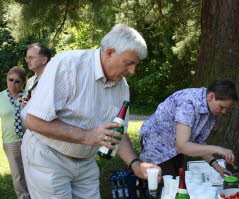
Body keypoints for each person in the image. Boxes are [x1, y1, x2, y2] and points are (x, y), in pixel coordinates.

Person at [21, 24, 161, 199]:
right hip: (48, 157)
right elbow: (33, 121)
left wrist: (135, 164)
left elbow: (118, 132)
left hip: (86, 162)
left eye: (135, 64)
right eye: (129, 63)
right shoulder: (68, 65)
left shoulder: (121, 86)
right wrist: (87, 136)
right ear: (109, 53)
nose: (132, 71)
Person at [139, 79, 238, 194]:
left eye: (227, 108)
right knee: (164, 189)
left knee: (177, 184)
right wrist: (217, 149)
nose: (224, 112)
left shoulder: (210, 107)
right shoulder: (188, 103)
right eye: (222, 107)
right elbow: (183, 146)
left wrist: (215, 165)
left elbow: (198, 142)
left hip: (174, 147)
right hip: (157, 146)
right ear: (211, 96)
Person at [0, 66, 30, 199]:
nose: (13, 83)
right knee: (18, 174)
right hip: (11, 141)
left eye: (17, 81)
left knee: (33, 170)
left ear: (23, 82)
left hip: (30, 139)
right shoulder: (0, 97)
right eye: (10, 79)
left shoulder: (29, 96)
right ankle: (23, 197)